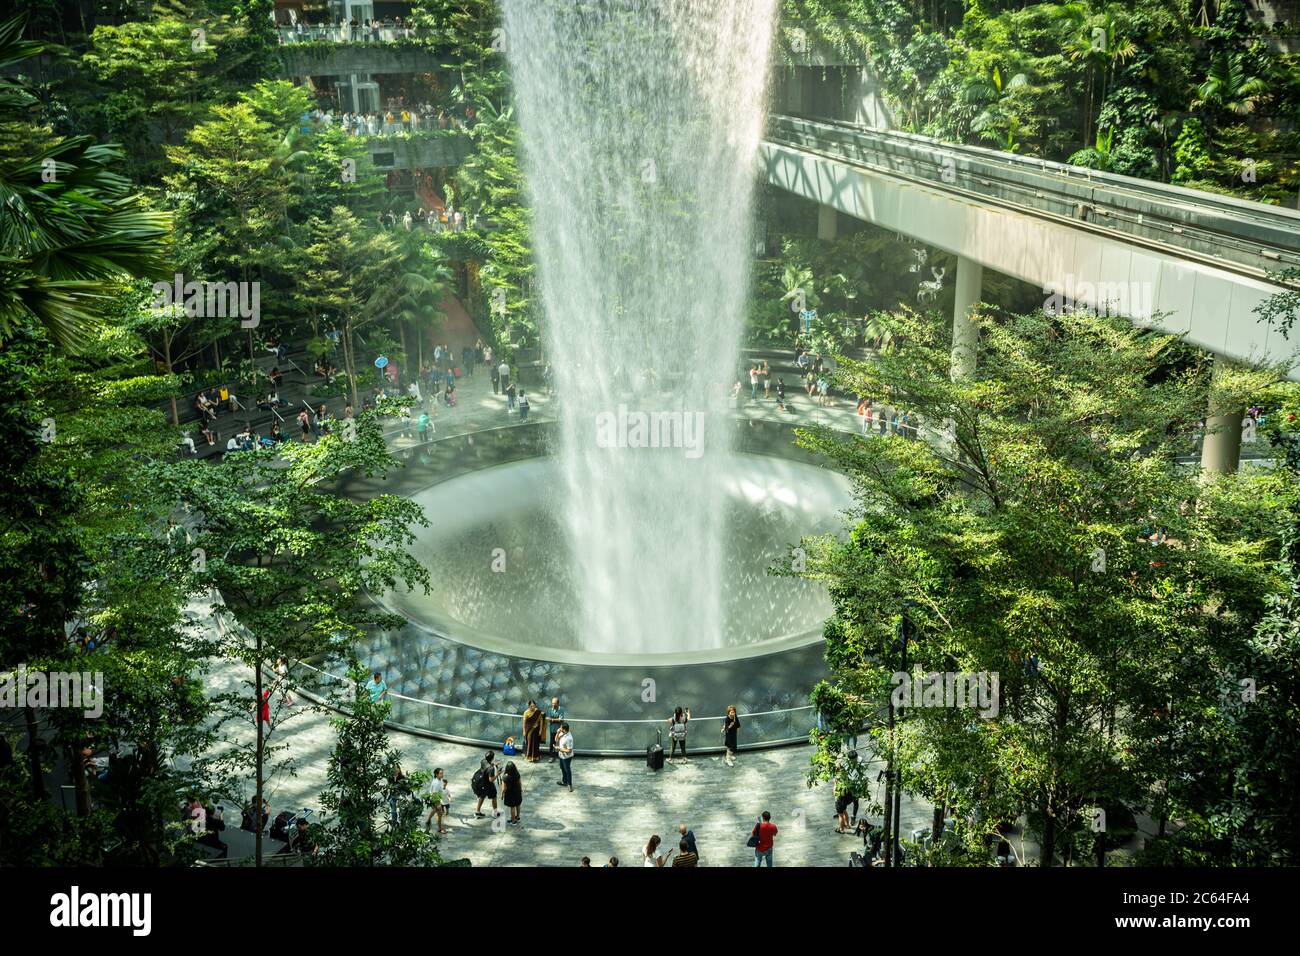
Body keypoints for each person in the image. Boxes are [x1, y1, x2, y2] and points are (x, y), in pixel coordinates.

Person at [474, 751, 499, 818]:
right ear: (492, 758)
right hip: (488, 785)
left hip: (481, 782)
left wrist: (493, 764)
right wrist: (497, 774)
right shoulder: (491, 769)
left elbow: (487, 765)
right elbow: (491, 780)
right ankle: (495, 813)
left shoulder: (483, 761)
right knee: (494, 797)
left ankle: (477, 811)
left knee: (482, 796)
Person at [425, 767, 450, 833]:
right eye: (440, 774)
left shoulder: (439, 780)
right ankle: (440, 828)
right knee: (440, 814)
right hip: (435, 799)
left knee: (434, 810)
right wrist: (438, 804)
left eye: (442, 773)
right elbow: (435, 794)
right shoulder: (436, 783)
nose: (442, 775)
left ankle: (428, 820)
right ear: (436, 774)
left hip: (436, 798)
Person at [501, 761, 522, 826]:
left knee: (512, 807)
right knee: (518, 805)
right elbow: (519, 783)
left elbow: (504, 788)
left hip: (510, 794)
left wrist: (502, 795)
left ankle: (513, 821)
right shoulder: (517, 774)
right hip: (517, 791)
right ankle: (517, 817)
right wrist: (520, 790)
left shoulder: (505, 777)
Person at [555, 722, 574, 792]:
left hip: (567, 757)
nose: (559, 728)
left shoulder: (569, 738)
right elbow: (556, 740)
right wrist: (557, 733)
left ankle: (569, 784)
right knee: (562, 768)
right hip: (561, 755)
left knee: (567, 770)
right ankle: (564, 781)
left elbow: (569, 750)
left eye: (561, 728)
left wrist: (559, 749)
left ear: (564, 729)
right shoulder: (562, 733)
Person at [546, 697, 565, 761]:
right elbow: (548, 718)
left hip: (560, 729)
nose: (553, 705)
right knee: (552, 743)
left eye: (555, 703)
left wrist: (552, 719)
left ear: (558, 703)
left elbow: (561, 719)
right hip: (552, 729)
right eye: (552, 703)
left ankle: (562, 755)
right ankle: (551, 756)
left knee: (562, 742)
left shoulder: (561, 709)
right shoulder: (549, 709)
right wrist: (554, 719)